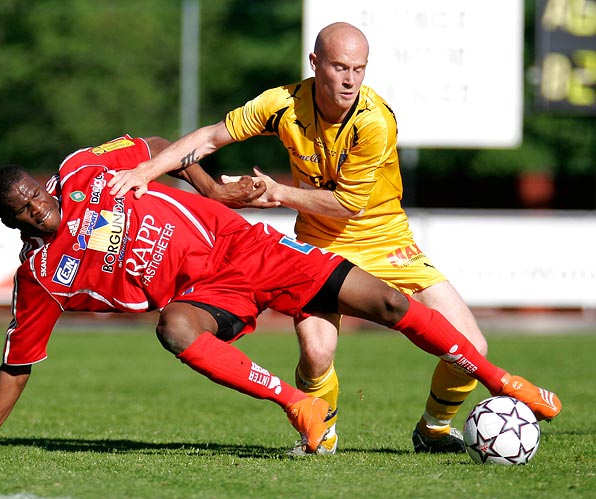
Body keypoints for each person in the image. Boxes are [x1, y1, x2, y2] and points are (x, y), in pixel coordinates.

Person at [0, 132, 561, 452]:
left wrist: (209, 187)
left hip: (248, 246)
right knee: (174, 328)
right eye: (23, 211)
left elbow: (153, 145)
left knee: (388, 303)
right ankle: (298, 406)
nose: (40, 210)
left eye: (37, 195)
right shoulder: (42, 276)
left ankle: (500, 380)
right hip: (208, 293)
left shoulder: (81, 172)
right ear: (9, 221)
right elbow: (17, 364)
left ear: (44, 182)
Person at [107, 22, 508, 454]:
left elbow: (347, 205)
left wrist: (277, 192)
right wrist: (145, 171)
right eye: (339, 67)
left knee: (471, 347)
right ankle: (322, 433)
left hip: (386, 240)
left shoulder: (375, 121)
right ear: (315, 64)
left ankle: (433, 428)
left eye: (359, 68)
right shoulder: (282, 104)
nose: (350, 79)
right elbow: (210, 137)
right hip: (321, 244)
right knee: (316, 354)